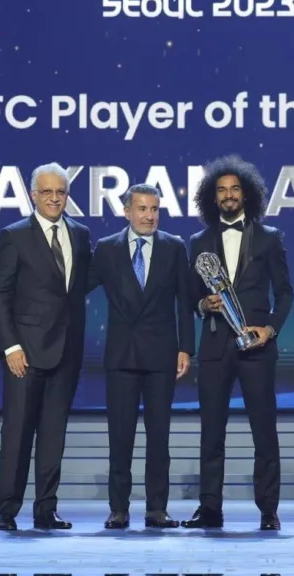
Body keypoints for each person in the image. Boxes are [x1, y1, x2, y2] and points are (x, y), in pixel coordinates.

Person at [182, 156, 294, 531]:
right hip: (215, 347)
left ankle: (268, 510)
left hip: (257, 348)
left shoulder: (269, 237)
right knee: (211, 432)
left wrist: (270, 329)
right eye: (221, 190)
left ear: (246, 195)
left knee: (264, 431)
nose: (228, 195)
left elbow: (285, 293)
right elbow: (191, 298)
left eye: (234, 189)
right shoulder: (198, 242)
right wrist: (203, 305)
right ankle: (210, 508)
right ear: (212, 197)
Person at [0, 162, 92, 531]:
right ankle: (6, 510)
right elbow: (0, 295)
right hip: (26, 355)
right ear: (34, 195)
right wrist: (11, 347)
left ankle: (46, 510)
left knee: (53, 435)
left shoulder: (80, 234)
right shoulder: (14, 235)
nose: (54, 198)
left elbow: (78, 288)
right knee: (18, 433)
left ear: (67, 196)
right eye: (47, 192)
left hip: (66, 352)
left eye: (60, 192)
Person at [88, 184, 195, 529]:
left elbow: (185, 301)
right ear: (127, 212)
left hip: (161, 356)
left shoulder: (174, 247)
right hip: (121, 356)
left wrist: (185, 347)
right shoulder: (107, 248)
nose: (150, 216)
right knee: (120, 437)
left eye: (154, 209)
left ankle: (156, 509)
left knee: (159, 437)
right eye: (143, 209)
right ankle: (118, 509)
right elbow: (77, 286)